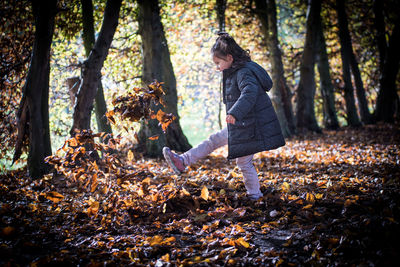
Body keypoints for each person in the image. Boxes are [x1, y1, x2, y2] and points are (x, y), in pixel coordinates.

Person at [163, 33, 285, 201]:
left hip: (250, 126)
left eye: (218, 63)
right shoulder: (239, 70)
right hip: (244, 124)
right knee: (216, 140)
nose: (217, 67)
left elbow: (250, 92)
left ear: (229, 57)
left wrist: (235, 112)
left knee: (243, 162)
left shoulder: (243, 73)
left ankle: (255, 196)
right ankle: (182, 161)